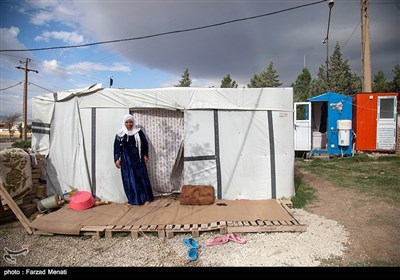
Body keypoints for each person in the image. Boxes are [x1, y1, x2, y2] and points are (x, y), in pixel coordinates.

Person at [113, 114, 154, 205]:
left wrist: (145, 155)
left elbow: (144, 144)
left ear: (133, 122)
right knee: (129, 180)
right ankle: (134, 200)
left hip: (138, 159)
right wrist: (116, 159)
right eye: (127, 122)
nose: (129, 124)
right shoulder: (120, 134)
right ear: (124, 123)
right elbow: (116, 148)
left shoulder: (138, 132)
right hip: (126, 161)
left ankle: (145, 198)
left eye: (131, 122)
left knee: (141, 178)